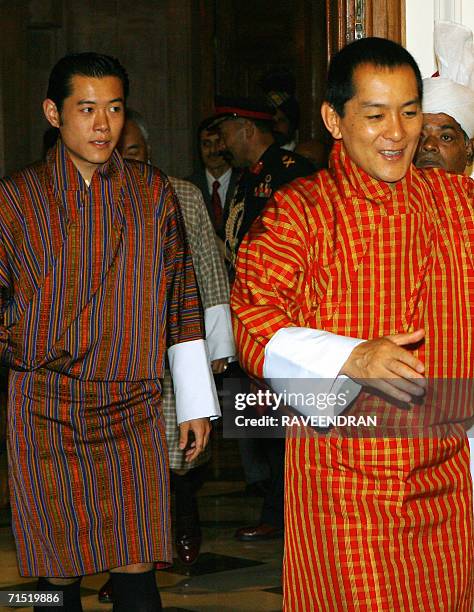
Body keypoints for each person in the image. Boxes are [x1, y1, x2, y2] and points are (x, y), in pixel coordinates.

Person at [232, 37, 474, 610]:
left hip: (447, 481)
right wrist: (349, 357)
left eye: (410, 112)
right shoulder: (301, 212)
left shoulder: (459, 205)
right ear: (333, 120)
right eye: (375, 113)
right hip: (346, 486)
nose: (397, 131)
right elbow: (252, 319)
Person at [1, 53, 220, 612]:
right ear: (54, 113)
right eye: (88, 109)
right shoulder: (16, 200)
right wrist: (26, 341)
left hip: (134, 403)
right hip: (46, 405)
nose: (103, 125)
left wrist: (195, 399)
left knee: (137, 558)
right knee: (56, 573)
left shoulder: (152, 194)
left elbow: (181, 293)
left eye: (115, 109)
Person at [212, 97, 314, 543]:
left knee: (288, 421)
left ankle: (290, 511)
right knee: (263, 421)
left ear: (248, 128)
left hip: (286, 320)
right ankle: (276, 506)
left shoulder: (293, 170)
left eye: (226, 130)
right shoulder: (245, 177)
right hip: (248, 314)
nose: (220, 141)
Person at [414, 20, 474, 496]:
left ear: (469, 149)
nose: (430, 146)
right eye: (423, 135)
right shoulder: (385, 211)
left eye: (447, 135)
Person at [186, 117, 240, 243]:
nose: (213, 150)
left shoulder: (244, 183)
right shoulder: (188, 187)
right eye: (206, 144)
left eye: (217, 143)